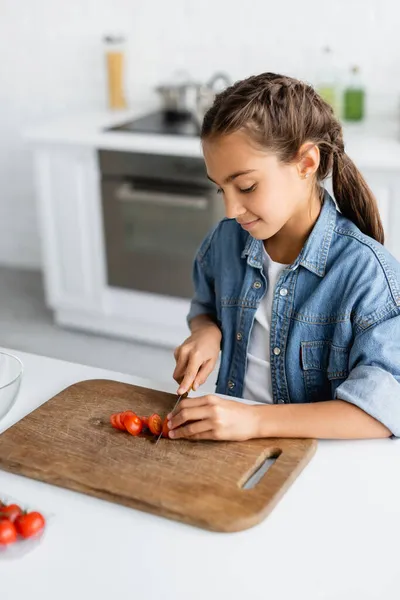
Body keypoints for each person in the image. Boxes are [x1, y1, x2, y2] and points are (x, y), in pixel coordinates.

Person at [168, 72, 400, 441]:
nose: (231, 210)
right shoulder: (225, 242)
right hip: (234, 450)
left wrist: (256, 422)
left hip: (314, 462)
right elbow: (205, 306)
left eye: (246, 186)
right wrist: (206, 332)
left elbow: (384, 409)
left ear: (306, 164)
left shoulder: (368, 274)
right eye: (220, 190)